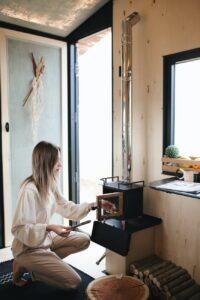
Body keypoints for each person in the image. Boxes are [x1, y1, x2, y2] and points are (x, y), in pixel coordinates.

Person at [11, 141, 113, 290]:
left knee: (83, 240)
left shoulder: (50, 184)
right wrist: (50, 227)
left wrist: (95, 204)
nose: (60, 165)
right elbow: (19, 229)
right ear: (46, 163)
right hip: (27, 248)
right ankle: (30, 267)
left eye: (60, 160)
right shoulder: (29, 190)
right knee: (73, 282)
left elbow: (67, 208)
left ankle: (38, 266)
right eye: (56, 161)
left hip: (43, 239)